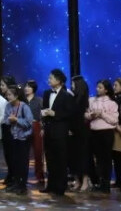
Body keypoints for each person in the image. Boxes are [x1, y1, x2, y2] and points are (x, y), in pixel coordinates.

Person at [40, 68, 75, 196]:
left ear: (59, 80)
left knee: (61, 159)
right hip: (48, 130)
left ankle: (61, 187)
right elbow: (44, 108)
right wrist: (43, 117)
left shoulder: (67, 95)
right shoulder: (46, 93)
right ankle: (50, 185)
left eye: (51, 78)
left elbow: (70, 113)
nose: (49, 80)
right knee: (50, 159)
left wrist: (55, 113)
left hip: (60, 131)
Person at [86, 78, 119, 194]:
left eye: (100, 87)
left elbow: (114, 120)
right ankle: (98, 182)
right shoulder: (92, 100)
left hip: (106, 133)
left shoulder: (112, 103)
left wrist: (102, 114)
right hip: (94, 132)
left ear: (106, 90)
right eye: (97, 87)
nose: (97, 89)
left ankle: (106, 184)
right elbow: (86, 115)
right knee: (97, 159)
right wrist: (91, 115)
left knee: (106, 159)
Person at [2, 84, 34, 194]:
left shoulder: (24, 107)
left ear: (16, 96)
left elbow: (29, 123)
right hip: (13, 137)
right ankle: (15, 183)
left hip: (23, 138)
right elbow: (5, 120)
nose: (8, 97)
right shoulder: (8, 106)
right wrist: (9, 120)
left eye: (10, 95)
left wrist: (16, 120)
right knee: (14, 161)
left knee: (23, 162)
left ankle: (22, 185)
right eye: (7, 95)